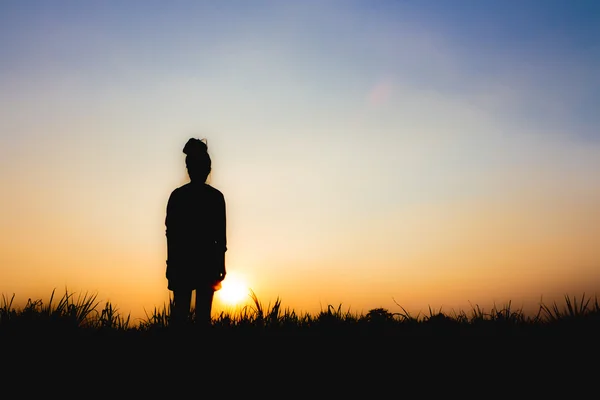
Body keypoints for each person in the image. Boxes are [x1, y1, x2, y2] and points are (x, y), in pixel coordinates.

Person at [165, 138, 227, 328]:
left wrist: (170, 263)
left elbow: (171, 235)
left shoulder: (178, 196)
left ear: (188, 168)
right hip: (207, 262)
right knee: (203, 319)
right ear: (207, 169)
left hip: (182, 262)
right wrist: (221, 265)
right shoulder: (216, 198)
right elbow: (220, 238)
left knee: (180, 316)